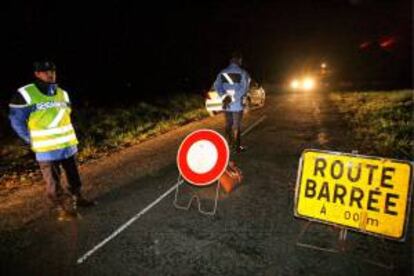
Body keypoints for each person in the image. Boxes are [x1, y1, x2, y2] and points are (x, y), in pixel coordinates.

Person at [9, 60, 96, 221]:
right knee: (53, 183)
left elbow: (66, 114)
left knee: (73, 176)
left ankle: (78, 197)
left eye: (52, 71)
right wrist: (30, 139)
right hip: (47, 149)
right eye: (44, 71)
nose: (50, 74)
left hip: (68, 145)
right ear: (37, 74)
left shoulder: (62, 93)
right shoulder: (25, 94)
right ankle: (63, 209)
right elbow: (16, 121)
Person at [213, 51, 251, 153]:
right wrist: (234, 98)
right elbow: (244, 88)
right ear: (239, 60)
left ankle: (228, 145)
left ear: (230, 61)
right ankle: (237, 147)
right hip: (237, 105)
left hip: (226, 104)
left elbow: (216, 86)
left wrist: (224, 96)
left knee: (228, 124)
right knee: (236, 125)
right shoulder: (243, 73)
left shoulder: (222, 72)